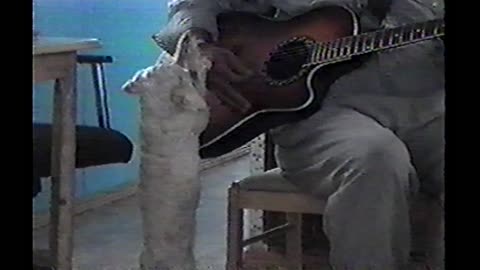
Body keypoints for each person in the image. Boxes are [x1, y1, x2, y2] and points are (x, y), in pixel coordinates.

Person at [153, 0, 444, 269]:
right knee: (374, 158)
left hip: (426, 109)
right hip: (322, 119)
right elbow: (192, 5)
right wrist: (198, 47)